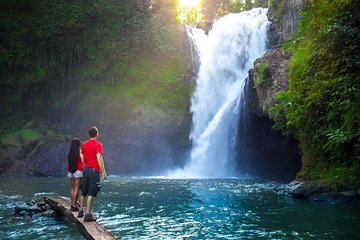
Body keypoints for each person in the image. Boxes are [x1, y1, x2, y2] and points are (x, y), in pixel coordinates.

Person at [78, 126, 107, 222]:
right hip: (94, 171)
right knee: (91, 192)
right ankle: (88, 214)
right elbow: (99, 158)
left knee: (84, 191)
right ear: (97, 134)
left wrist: (84, 163)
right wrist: (103, 171)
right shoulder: (98, 144)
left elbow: (81, 154)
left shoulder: (84, 144)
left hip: (86, 170)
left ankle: (81, 211)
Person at [67, 138, 84, 212]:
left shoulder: (70, 153)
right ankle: (74, 206)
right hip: (78, 171)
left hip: (70, 172)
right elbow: (83, 161)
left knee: (73, 188)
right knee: (77, 188)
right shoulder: (79, 152)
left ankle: (72, 203)